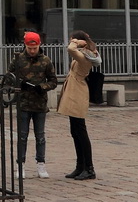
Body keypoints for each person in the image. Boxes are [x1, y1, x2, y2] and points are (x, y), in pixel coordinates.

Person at [8, 31, 58, 179]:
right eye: (29, 48)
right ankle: (20, 165)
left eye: (34, 48)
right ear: (25, 45)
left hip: (39, 103)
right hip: (23, 102)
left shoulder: (46, 61)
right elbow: (8, 77)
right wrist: (18, 84)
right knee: (22, 136)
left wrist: (42, 87)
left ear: (39, 45)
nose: (32, 51)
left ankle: (41, 163)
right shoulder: (18, 60)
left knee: (40, 136)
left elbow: (53, 81)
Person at [57, 30, 101, 180]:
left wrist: (77, 42)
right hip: (73, 90)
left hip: (78, 92)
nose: (71, 42)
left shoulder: (85, 55)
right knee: (75, 131)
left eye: (73, 39)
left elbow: (70, 49)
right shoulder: (84, 53)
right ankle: (80, 166)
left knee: (81, 131)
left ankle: (89, 168)